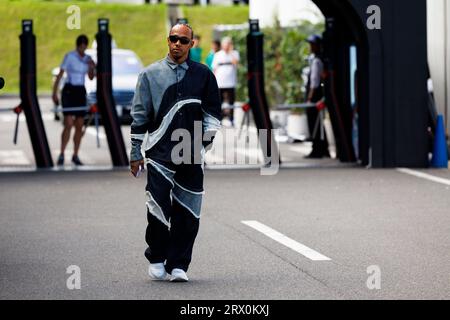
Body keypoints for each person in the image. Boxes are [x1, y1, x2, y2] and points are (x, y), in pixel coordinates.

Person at [129, 23, 222, 282]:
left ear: (192, 44)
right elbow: (139, 115)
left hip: (191, 154)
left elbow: (213, 114)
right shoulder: (149, 75)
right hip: (159, 152)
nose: (177, 44)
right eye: (173, 39)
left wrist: (202, 144)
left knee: (189, 212)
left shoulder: (204, 75)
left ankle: (179, 265)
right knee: (157, 208)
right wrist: (136, 152)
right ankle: (157, 256)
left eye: (183, 40)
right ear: (167, 41)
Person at [52, 34, 95, 166]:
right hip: (69, 91)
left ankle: (75, 154)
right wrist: (55, 92)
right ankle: (62, 153)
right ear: (77, 46)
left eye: (84, 47)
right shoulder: (70, 56)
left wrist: (92, 66)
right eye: (80, 47)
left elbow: (91, 77)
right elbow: (60, 74)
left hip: (80, 91)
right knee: (69, 123)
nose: (82, 49)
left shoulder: (88, 59)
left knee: (79, 125)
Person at [304, 34, 330, 158]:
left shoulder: (317, 61)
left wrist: (309, 98)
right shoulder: (318, 59)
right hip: (317, 95)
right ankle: (323, 148)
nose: (311, 47)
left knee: (314, 123)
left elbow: (314, 82)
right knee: (318, 122)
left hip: (314, 96)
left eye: (312, 44)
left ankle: (317, 149)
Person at [212, 36, 240, 127]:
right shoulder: (218, 54)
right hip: (220, 82)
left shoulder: (234, 53)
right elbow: (214, 68)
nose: (226, 46)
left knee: (231, 101)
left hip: (230, 82)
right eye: (225, 44)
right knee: (219, 102)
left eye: (228, 44)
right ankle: (219, 119)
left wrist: (231, 52)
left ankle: (231, 119)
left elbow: (236, 63)